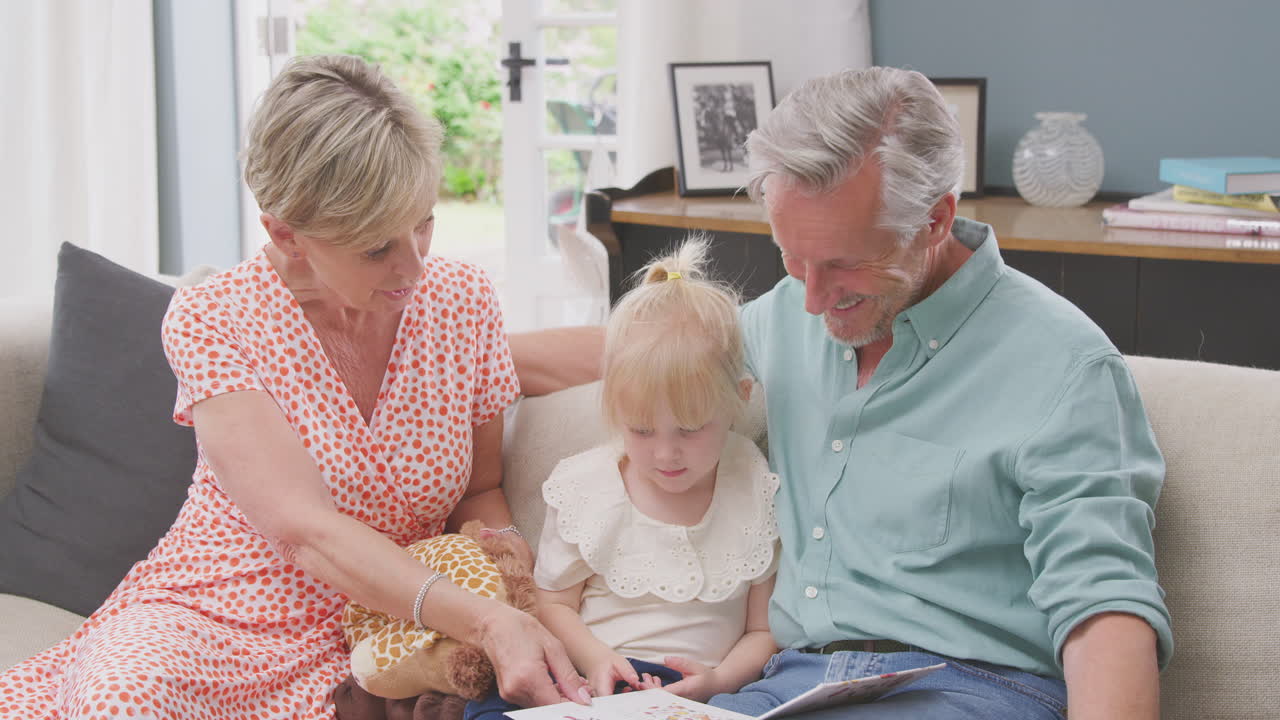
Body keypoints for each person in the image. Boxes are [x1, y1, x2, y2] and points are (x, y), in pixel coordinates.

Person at [509, 66, 1172, 720]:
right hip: (786, 686)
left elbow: (1105, 609)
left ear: (935, 220)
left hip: (969, 689)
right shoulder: (792, 312)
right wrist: (477, 358)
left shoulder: (1064, 366)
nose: (814, 298)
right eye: (794, 260)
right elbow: (656, 358)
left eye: (844, 266)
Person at [0, 55, 586, 719]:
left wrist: (519, 598)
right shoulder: (212, 317)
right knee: (121, 700)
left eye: (423, 222)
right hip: (217, 616)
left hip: (387, 634)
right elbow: (303, 530)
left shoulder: (462, 300)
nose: (414, 265)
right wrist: (482, 620)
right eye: (375, 247)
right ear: (286, 231)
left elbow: (480, 491)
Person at [467, 239, 780, 720]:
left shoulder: (753, 484)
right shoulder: (589, 487)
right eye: (641, 429)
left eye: (691, 429)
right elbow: (552, 605)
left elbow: (764, 631)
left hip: (706, 693)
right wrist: (595, 657)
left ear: (739, 399)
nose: (665, 452)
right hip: (591, 678)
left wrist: (719, 681)